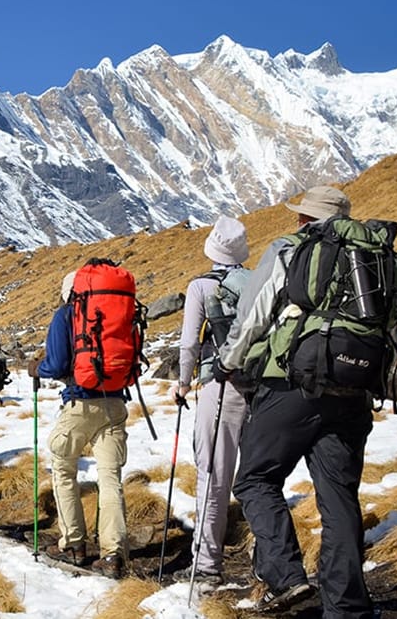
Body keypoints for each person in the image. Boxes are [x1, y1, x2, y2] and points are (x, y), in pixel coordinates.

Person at [215, 186, 373, 615]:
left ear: (306, 220)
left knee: (254, 478)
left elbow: (254, 313)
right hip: (353, 388)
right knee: (339, 497)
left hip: (291, 386)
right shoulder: (369, 256)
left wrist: (227, 362)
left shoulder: (290, 249)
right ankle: (348, 608)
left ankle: (287, 578)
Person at [29, 269, 129, 579]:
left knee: (63, 469)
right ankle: (113, 556)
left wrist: (37, 368)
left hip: (79, 402)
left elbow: (56, 363)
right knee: (110, 478)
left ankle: (73, 544)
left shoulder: (66, 314)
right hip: (115, 403)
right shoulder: (117, 312)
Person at [171, 216, 251, 587]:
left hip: (220, 386)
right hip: (263, 390)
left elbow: (190, 343)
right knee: (258, 478)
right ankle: (267, 561)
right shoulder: (258, 282)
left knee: (214, 476)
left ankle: (206, 566)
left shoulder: (201, 287)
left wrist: (183, 383)